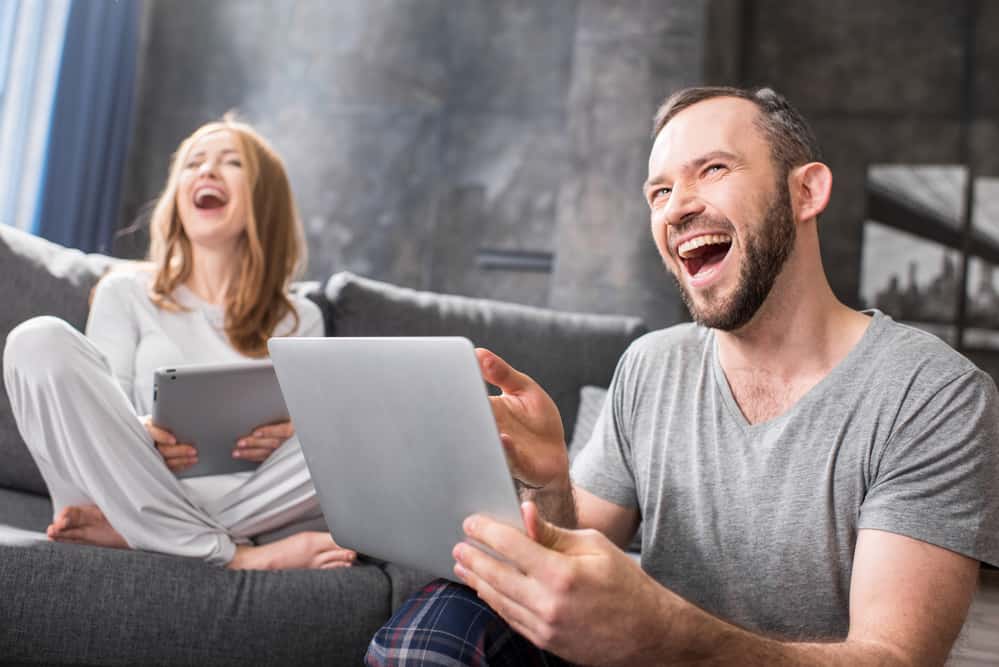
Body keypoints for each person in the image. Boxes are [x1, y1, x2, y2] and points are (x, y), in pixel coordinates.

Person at [366, 86, 999, 665]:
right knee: (434, 628)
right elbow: (576, 548)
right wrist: (549, 482)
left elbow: (892, 657)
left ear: (806, 191)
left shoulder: (934, 395)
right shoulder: (652, 364)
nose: (676, 208)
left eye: (713, 169)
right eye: (659, 192)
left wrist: (665, 632)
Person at [3, 116, 356, 570]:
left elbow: (316, 440)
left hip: (244, 495)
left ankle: (142, 536)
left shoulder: (298, 317)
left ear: (263, 200)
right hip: (126, 480)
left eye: (231, 163)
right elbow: (99, 403)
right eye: (193, 163)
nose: (206, 171)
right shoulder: (123, 291)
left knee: (351, 429)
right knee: (36, 341)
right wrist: (137, 432)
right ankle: (242, 557)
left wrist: (296, 432)